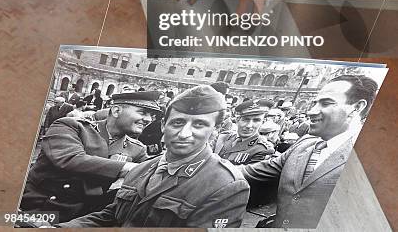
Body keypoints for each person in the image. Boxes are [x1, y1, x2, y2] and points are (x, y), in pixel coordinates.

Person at [58, 85, 250, 228]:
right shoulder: (142, 168)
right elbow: (112, 216)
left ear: (215, 129)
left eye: (199, 124)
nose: (184, 133)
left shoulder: (226, 185)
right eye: (177, 123)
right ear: (162, 126)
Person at [241, 74, 378, 229]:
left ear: (357, 107)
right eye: (314, 103)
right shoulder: (304, 145)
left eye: (325, 103)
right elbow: (251, 172)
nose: (311, 112)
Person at [20, 92, 161, 222]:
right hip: (38, 209)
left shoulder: (138, 149)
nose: (148, 119)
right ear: (116, 110)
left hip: (85, 218)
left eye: (152, 115)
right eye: (143, 112)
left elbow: (148, 180)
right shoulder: (71, 126)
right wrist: (131, 168)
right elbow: (71, 159)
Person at [214, 99, 274, 164]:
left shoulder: (263, 149)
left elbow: (249, 173)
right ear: (237, 120)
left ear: (263, 122)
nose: (249, 125)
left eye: (256, 120)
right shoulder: (223, 137)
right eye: (245, 119)